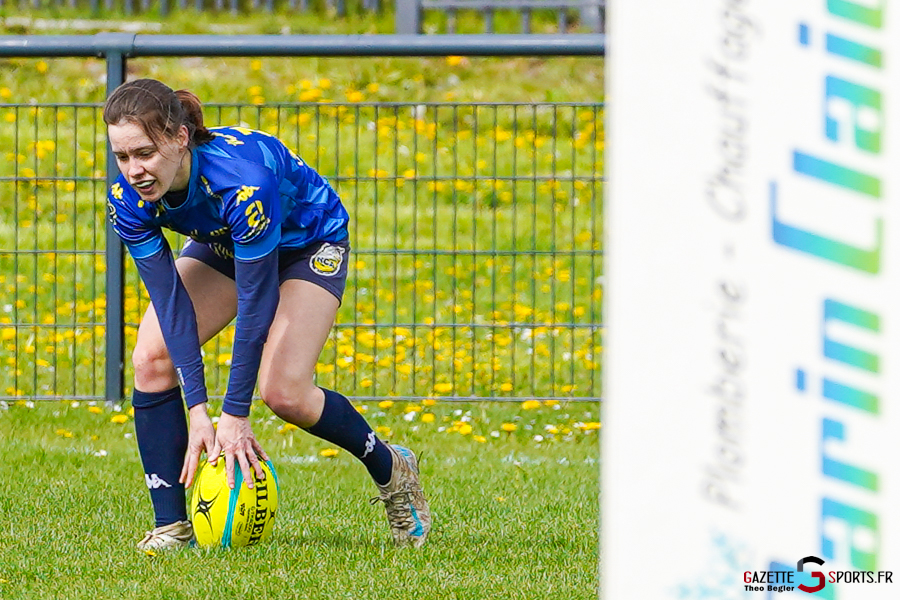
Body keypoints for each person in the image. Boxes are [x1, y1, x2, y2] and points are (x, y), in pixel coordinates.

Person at [103, 78, 431, 550]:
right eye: (122, 157)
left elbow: (257, 306)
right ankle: (173, 527)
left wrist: (233, 415)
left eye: (145, 153)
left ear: (180, 139)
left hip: (307, 241)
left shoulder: (240, 183)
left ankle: (392, 469)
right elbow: (170, 302)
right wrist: (198, 410)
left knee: (284, 392)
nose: (133, 170)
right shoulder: (127, 199)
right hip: (229, 241)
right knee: (151, 356)